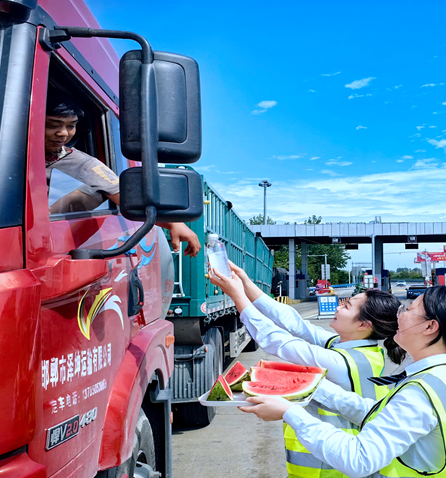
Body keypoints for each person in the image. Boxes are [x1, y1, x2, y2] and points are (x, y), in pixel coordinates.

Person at [239, 286, 446, 478]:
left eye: (408, 310)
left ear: (430, 327)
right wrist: (316, 386)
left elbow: (359, 459)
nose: (399, 316)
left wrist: (290, 412)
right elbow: (380, 413)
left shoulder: (421, 392)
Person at [210, 262, 404, 478]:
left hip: (333, 468)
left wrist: (239, 298)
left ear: (363, 325)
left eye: (347, 306)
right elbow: (297, 324)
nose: (338, 307)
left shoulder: (341, 363)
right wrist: (246, 284)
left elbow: (279, 342)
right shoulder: (360, 349)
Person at [44, 93, 200, 256]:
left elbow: (128, 197)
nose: (63, 133)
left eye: (71, 126)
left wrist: (175, 223)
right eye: (53, 125)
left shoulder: (82, 163)